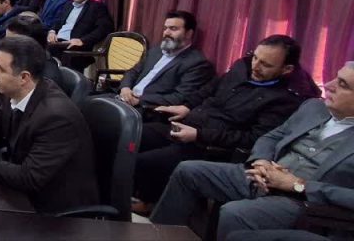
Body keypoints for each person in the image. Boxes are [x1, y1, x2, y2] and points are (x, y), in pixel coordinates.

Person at [150, 62, 354, 241]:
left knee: (235, 214)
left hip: (303, 201)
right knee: (188, 171)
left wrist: (298, 185)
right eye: (335, 78)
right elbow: (271, 137)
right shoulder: (314, 108)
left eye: (342, 84)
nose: (329, 85)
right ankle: (159, 236)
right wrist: (261, 160)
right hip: (262, 175)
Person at [132, 35, 320, 214]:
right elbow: (210, 89)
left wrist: (199, 135)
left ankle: (151, 202)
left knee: (145, 161)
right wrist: (186, 106)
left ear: (286, 69)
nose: (255, 66)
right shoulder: (242, 66)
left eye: (266, 64)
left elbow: (252, 138)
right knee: (133, 136)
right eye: (255, 57)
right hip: (187, 123)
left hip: (210, 146)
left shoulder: (285, 100)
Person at [0, 36, 99, 213]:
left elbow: (29, 178)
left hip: (52, 211)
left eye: (0, 69)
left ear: (24, 77)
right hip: (20, 189)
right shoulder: (17, 91)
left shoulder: (57, 117)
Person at [117, 10, 214, 113]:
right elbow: (133, 71)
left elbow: (179, 96)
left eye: (173, 29)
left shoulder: (197, 63)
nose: (166, 33)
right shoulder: (155, 51)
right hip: (124, 98)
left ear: (188, 34)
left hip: (147, 109)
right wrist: (125, 88)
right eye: (165, 28)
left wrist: (139, 100)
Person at [0, 14, 66, 108]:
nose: (5, 45)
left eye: (11, 42)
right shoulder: (25, 60)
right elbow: (8, 79)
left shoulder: (44, 80)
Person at [46, 0, 114, 72]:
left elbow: (105, 28)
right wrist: (52, 31)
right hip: (57, 42)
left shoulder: (97, 7)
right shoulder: (68, 5)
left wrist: (83, 40)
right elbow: (58, 21)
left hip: (75, 46)